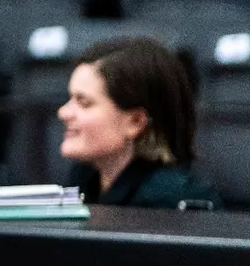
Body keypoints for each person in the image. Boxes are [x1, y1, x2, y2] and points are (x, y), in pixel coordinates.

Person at [58, 36, 221, 208]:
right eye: (70, 99)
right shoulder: (84, 179)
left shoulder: (174, 199)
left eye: (84, 103)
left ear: (135, 122)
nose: (63, 113)